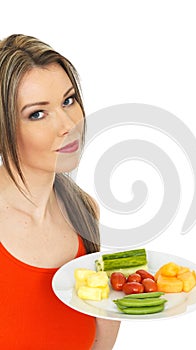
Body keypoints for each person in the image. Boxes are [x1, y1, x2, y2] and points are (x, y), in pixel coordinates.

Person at [0, 34, 120, 349]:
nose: (68, 124)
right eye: (37, 114)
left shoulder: (84, 210)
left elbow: (97, 344)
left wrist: (117, 303)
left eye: (68, 100)